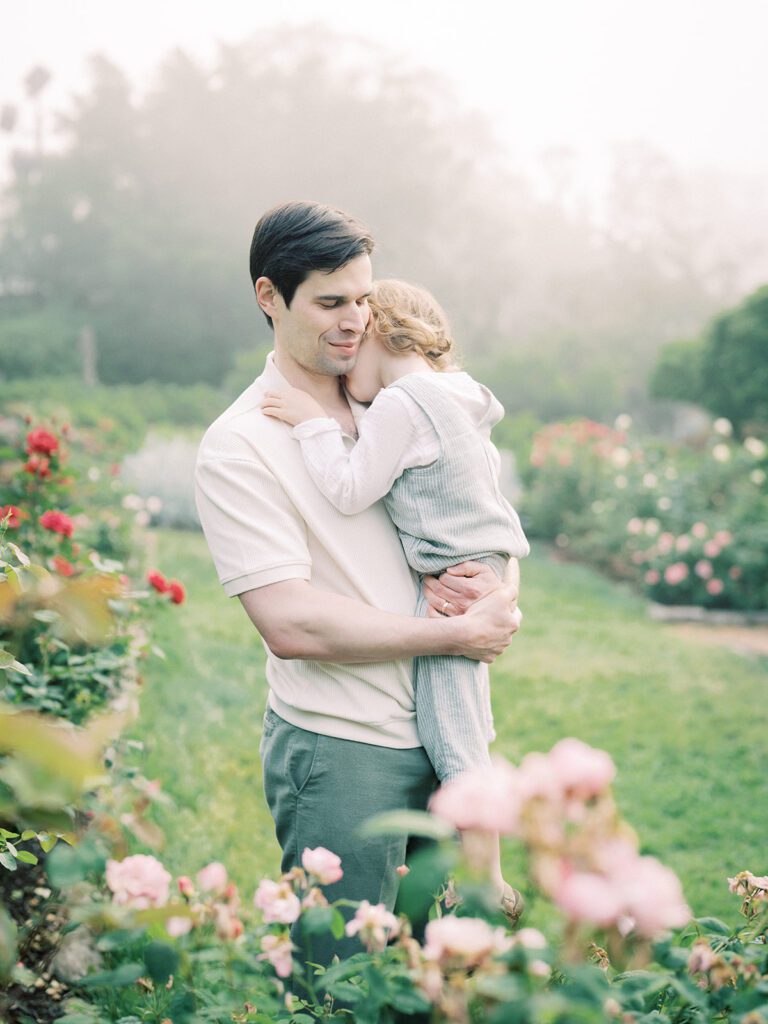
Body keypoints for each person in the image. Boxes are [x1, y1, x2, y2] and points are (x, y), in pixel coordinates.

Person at [194, 201, 522, 968]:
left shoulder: (403, 406)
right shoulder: (240, 445)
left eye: (363, 300)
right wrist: (455, 633)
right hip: (344, 750)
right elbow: (291, 624)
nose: (353, 322)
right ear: (269, 297)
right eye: (329, 302)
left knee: (436, 982)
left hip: (442, 733)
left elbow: (476, 513)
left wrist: (498, 596)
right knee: (339, 983)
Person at [260, 277, 529, 915]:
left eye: (355, 349)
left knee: (457, 736)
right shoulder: (461, 397)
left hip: (454, 588)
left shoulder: (404, 404)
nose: (348, 367)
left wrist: (313, 424)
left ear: (378, 328)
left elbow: (352, 487)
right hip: (478, 569)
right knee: (466, 725)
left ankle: (488, 881)